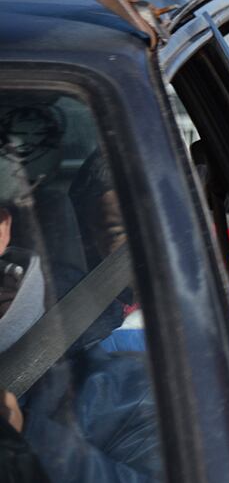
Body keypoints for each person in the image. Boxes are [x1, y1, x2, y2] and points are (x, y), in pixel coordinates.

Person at [0, 132, 161, 482]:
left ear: (4, 225)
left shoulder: (119, 386)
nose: (147, 251)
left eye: (153, 231)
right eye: (120, 232)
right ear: (89, 239)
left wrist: (28, 434)